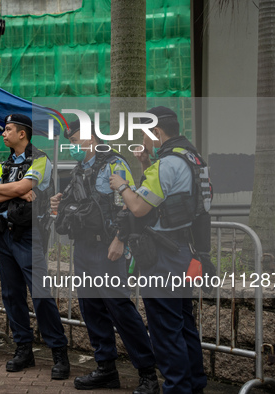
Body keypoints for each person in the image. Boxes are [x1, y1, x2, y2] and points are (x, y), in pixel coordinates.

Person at [50, 120, 159, 394]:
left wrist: (120, 240)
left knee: (119, 308)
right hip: (84, 248)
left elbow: (128, 205)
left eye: (77, 139)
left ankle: (147, 374)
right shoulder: (78, 170)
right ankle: (106, 369)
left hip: (108, 248)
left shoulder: (114, 163)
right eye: (72, 141)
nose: (74, 145)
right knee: (92, 309)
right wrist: (58, 205)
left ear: (92, 139)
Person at [111, 106, 209, 394]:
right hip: (184, 250)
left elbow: (140, 207)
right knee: (183, 324)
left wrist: (122, 186)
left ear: (157, 132)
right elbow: (171, 202)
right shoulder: (193, 158)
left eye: (145, 134)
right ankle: (194, 385)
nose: (145, 142)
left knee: (166, 331)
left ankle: (177, 388)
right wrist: (144, 167)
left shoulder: (166, 164)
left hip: (164, 257)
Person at [0, 114, 70, 380]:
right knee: (11, 295)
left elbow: (20, 185)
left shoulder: (41, 159)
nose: (3, 134)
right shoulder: (7, 163)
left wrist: (15, 188)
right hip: (7, 235)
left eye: (8, 129)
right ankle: (24, 349)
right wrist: (19, 191)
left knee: (41, 295)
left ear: (22, 134)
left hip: (30, 236)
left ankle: (59, 353)